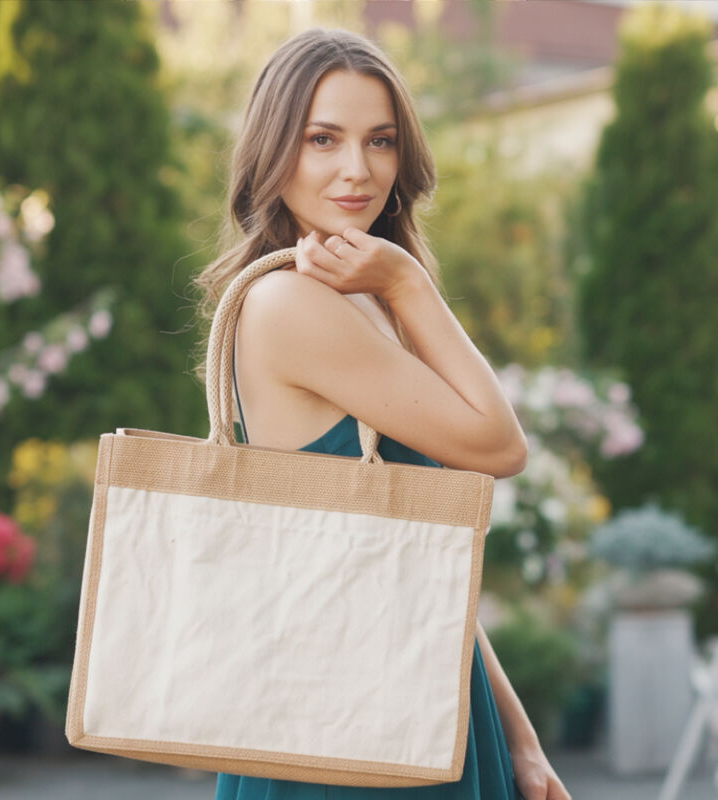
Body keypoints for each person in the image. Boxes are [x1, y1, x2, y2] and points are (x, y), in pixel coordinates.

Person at [191, 26, 572, 800]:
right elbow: (499, 445)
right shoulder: (292, 304)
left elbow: (422, 549)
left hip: (417, 682)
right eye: (322, 139)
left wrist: (522, 739)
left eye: (381, 141)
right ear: (274, 152)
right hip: (344, 712)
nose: (356, 170)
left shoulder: (359, 300)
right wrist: (409, 285)